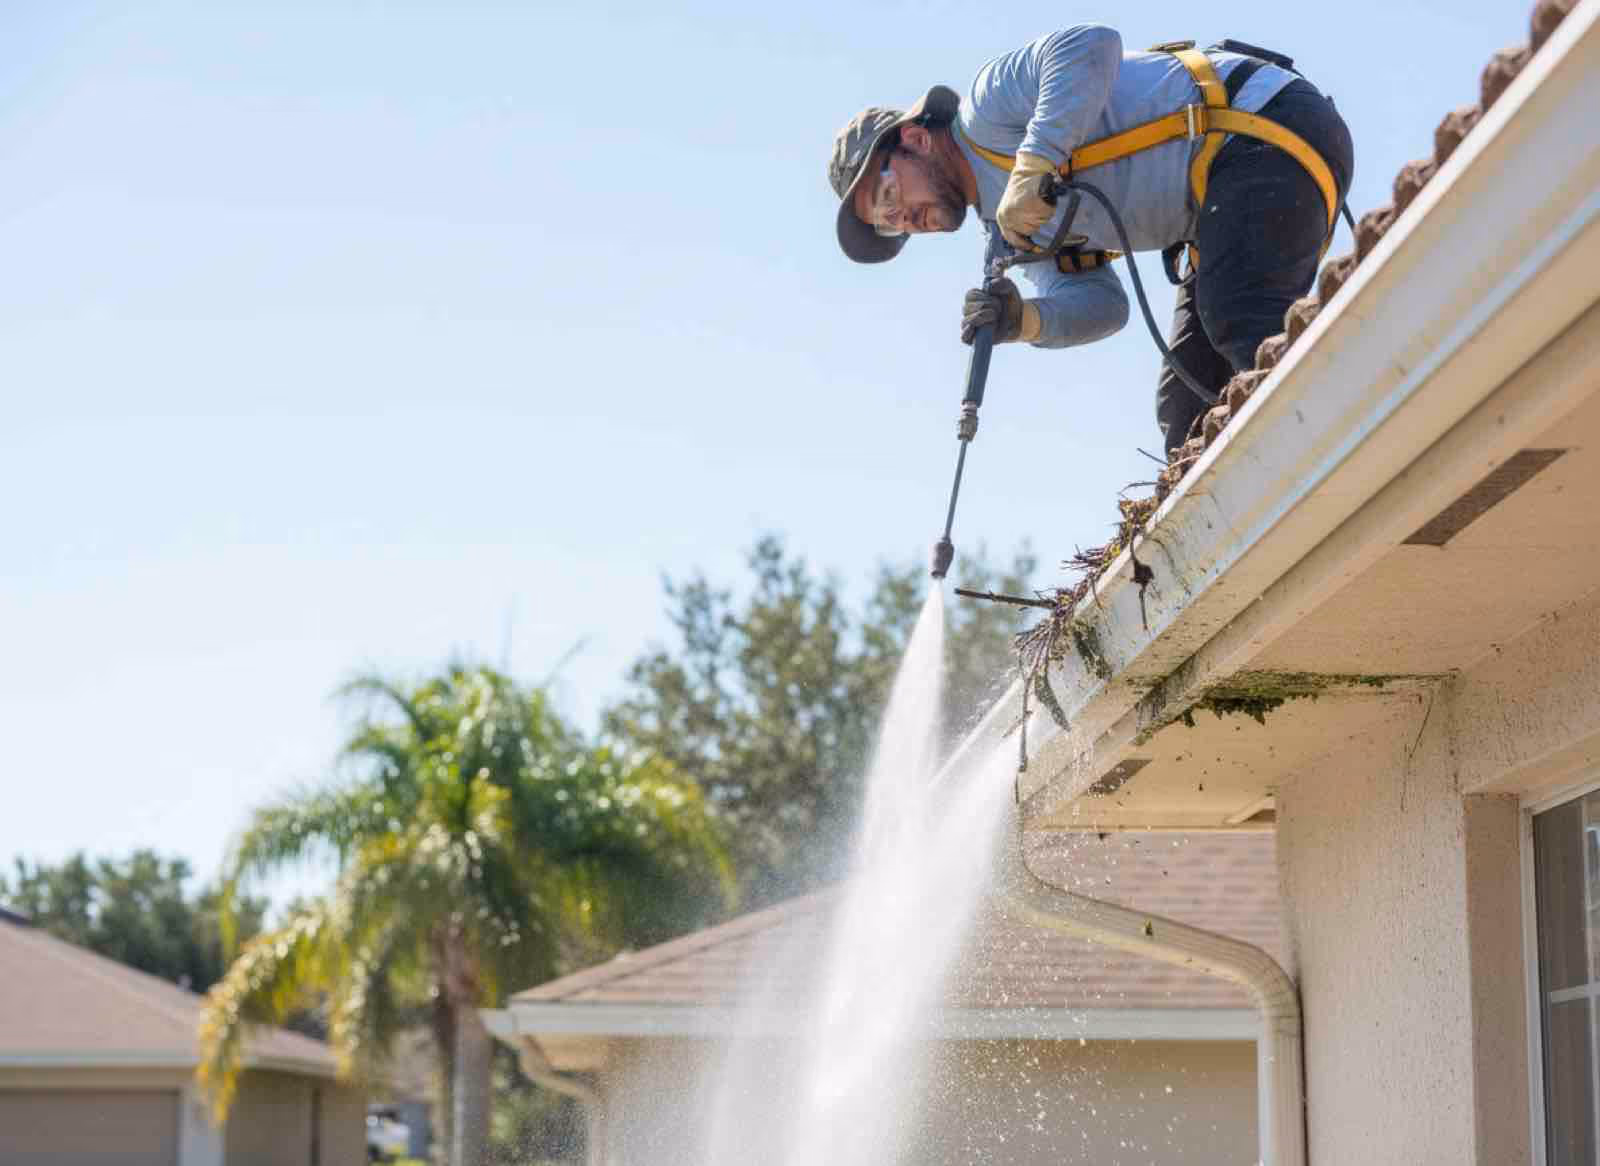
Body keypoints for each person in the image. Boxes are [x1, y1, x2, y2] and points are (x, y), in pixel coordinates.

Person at [827, 27, 1355, 455]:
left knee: (1240, 319)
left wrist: (1036, 162)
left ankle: (1352, 453)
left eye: (890, 193)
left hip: (1264, 123)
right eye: (889, 222)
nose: (905, 219)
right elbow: (1105, 305)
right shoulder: (1012, 231)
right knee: (1187, 418)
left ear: (916, 138)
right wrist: (1024, 320)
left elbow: (1090, 45)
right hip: (1229, 196)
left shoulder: (987, 109)